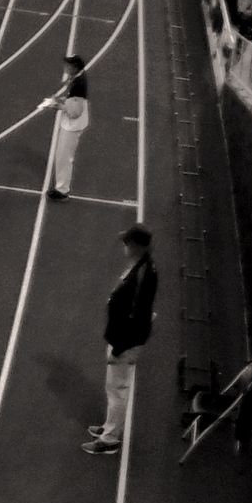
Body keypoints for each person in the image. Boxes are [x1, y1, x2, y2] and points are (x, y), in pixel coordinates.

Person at [86, 226, 159, 457]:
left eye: (127, 243)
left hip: (124, 342)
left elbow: (137, 316)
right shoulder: (141, 268)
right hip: (122, 338)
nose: (124, 246)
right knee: (113, 388)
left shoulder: (143, 274)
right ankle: (109, 428)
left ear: (137, 246)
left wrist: (120, 347)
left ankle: (110, 439)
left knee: (117, 390)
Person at [41, 52, 91, 203]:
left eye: (68, 64)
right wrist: (62, 100)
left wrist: (58, 106)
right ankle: (62, 187)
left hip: (73, 125)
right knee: (62, 155)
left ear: (75, 67)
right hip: (73, 122)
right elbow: (73, 102)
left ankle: (62, 191)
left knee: (64, 157)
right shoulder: (77, 78)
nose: (65, 67)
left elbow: (75, 112)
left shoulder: (78, 84)